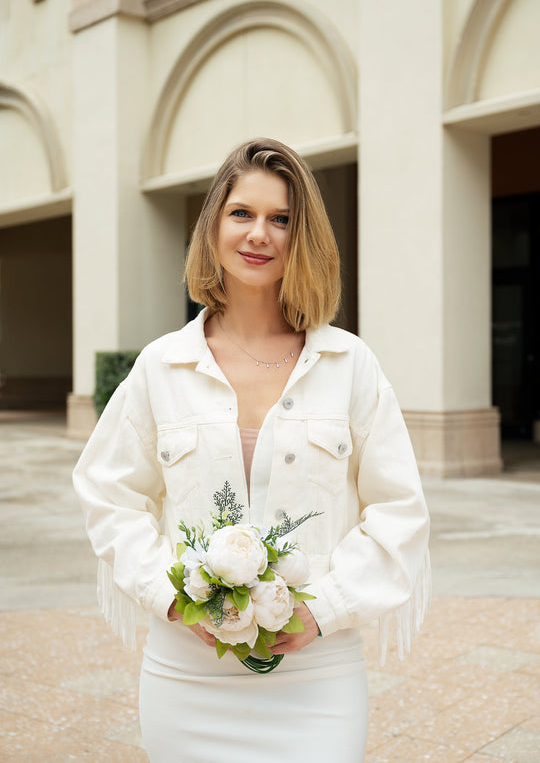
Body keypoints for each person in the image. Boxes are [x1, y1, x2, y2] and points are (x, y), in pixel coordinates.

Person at [73, 138, 430, 762]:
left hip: (316, 677)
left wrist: (322, 610)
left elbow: (400, 511)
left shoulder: (350, 365)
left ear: (302, 237)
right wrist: (173, 598)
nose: (259, 234)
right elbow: (109, 496)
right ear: (213, 226)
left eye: (281, 219)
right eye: (242, 213)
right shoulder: (162, 366)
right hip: (186, 675)